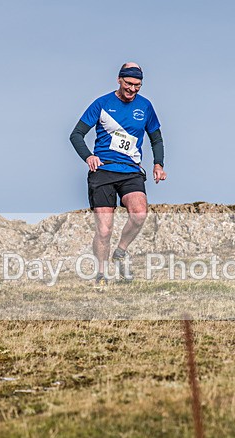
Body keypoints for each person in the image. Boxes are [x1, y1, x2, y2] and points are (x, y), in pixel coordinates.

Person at [70, 62, 167, 285]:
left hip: (131, 171)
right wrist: (88, 156)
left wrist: (158, 165)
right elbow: (76, 134)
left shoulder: (145, 106)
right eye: (129, 84)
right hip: (102, 170)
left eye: (138, 85)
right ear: (119, 80)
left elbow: (156, 138)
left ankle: (121, 251)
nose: (133, 89)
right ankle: (101, 274)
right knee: (104, 229)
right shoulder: (102, 104)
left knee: (139, 213)